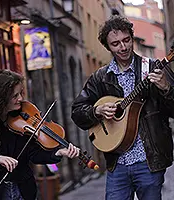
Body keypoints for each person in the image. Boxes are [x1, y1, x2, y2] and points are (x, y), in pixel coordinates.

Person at [71, 15, 174, 200]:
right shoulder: (100, 78)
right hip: (117, 163)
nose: (123, 47)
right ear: (108, 46)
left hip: (148, 162)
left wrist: (166, 88)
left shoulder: (153, 68)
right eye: (116, 43)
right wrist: (96, 111)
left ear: (132, 38)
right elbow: (77, 112)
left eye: (126, 40)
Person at [0, 69, 80, 200]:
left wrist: (57, 153)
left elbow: (33, 153)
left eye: (21, 93)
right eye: (15, 96)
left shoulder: (23, 119)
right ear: (0, 98)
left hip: (23, 190)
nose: (20, 99)